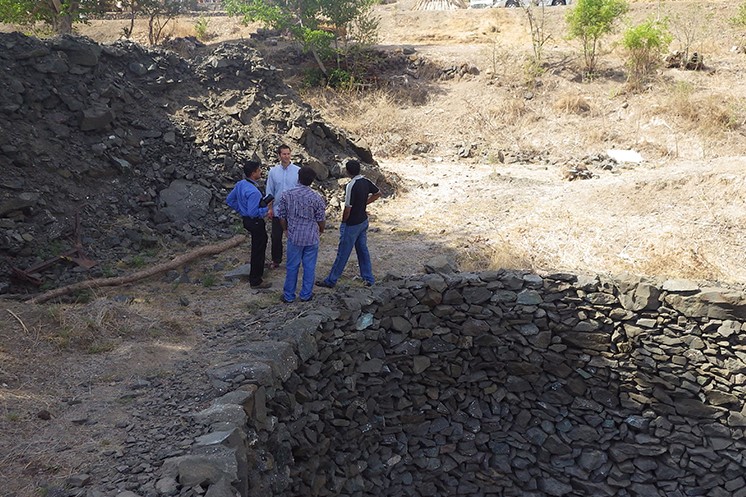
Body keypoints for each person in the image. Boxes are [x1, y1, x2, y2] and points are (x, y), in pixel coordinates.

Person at [317, 160, 381, 288]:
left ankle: (331, 280)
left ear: (347, 171)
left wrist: (344, 221)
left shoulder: (351, 185)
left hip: (352, 223)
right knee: (362, 250)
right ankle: (368, 278)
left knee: (343, 253)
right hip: (363, 220)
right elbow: (378, 193)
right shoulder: (365, 181)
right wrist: (364, 203)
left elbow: (348, 208)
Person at [274, 167, 326, 303]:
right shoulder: (317, 198)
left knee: (292, 266)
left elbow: (281, 216)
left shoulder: (287, 195)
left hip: (294, 234)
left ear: (298, 177)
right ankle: (306, 294)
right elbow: (321, 218)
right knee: (309, 267)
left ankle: (289, 295)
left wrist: (285, 229)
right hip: (311, 236)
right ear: (312, 181)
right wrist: (321, 230)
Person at [226, 160, 272, 289]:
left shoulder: (240, 184)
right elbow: (253, 213)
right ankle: (256, 280)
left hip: (246, 220)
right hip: (255, 222)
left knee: (256, 247)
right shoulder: (254, 192)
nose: (261, 172)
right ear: (253, 173)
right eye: (259, 170)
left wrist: (241, 210)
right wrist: (266, 209)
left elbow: (229, 200)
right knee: (259, 249)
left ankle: (255, 275)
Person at [265, 144, 300, 269]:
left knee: (294, 236)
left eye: (288, 154)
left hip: (293, 209)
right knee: (276, 236)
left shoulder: (297, 171)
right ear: (279, 155)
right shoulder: (273, 172)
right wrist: (269, 208)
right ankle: (276, 260)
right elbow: (270, 191)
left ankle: (294, 260)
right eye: (284, 154)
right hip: (278, 209)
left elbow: (300, 189)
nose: (286, 156)